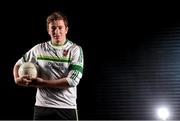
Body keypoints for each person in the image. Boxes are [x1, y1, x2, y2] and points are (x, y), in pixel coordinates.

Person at [13, 11, 84, 120]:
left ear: (66, 29)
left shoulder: (75, 50)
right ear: (48, 30)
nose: (57, 32)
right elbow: (18, 64)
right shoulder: (39, 49)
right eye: (53, 28)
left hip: (66, 107)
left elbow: (72, 81)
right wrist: (17, 79)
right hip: (42, 106)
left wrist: (43, 83)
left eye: (60, 28)